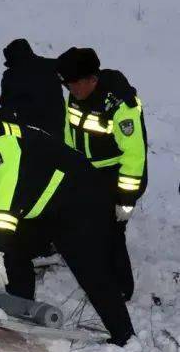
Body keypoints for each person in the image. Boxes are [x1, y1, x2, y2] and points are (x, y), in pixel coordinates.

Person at [0, 99, 135, 346]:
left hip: (78, 200)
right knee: (13, 251)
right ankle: (21, 311)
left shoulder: (1, 141)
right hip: (41, 208)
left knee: (89, 269)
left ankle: (125, 338)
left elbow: (6, 202)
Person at [57, 47, 147, 301]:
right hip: (90, 173)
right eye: (67, 85)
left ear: (92, 79)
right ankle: (105, 280)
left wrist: (126, 198)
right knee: (93, 229)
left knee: (112, 232)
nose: (71, 90)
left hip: (118, 176)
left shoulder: (119, 104)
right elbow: (69, 131)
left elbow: (134, 154)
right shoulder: (75, 95)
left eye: (74, 85)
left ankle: (121, 290)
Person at [0, 39, 65, 138]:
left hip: (30, 132)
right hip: (57, 127)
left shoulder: (10, 76)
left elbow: (6, 105)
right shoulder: (51, 66)